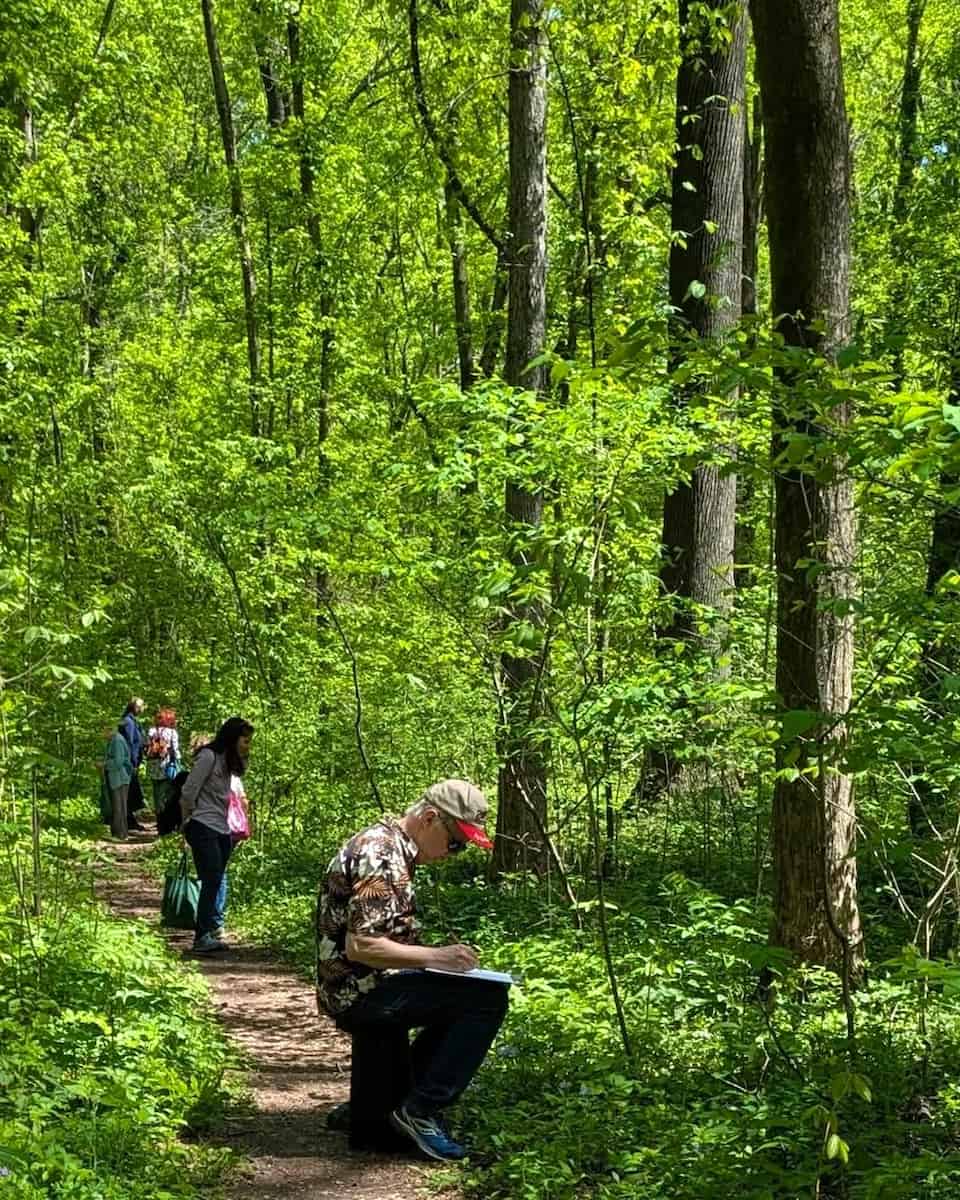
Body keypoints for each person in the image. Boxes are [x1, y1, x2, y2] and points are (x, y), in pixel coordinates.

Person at [315, 778, 508, 1162]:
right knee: (486, 1000)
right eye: (455, 842)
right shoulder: (383, 855)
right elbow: (363, 946)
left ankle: (380, 1106)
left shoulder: (389, 846)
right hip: (359, 991)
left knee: (460, 993)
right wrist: (437, 957)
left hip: (361, 984)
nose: (454, 852)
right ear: (430, 818)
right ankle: (419, 1111)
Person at [180, 717, 254, 954]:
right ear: (233, 738)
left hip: (222, 828)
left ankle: (210, 931)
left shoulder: (228, 761)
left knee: (216, 879)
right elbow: (189, 790)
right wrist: (187, 820)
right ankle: (201, 937)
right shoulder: (208, 757)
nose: (247, 746)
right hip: (202, 825)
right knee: (211, 879)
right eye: (245, 741)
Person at [144, 707, 181, 816]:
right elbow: (175, 749)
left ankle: (158, 813)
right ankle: (164, 816)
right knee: (165, 792)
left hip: (152, 765)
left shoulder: (151, 731)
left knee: (156, 791)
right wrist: (177, 760)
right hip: (166, 765)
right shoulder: (172, 732)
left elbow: (146, 745)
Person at [102, 723, 133, 840]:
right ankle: (118, 832)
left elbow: (118, 762)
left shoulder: (117, 741)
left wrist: (104, 765)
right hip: (117, 777)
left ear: (109, 730)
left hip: (120, 777)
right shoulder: (113, 740)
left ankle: (120, 834)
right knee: (117, 805)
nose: (102, 734)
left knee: (119, 805)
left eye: (103, 731)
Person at [119, 697, 146, 828]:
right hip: (129, 762)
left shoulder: (132, 721)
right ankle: (127, 820)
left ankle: (129, 819)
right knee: (129, 791)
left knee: (131, 791)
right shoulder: (128, 722)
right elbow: (130, 744)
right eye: (140, 706)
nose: (142, 709)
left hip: (132, 762)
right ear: (134, 707)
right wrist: (133, 763)